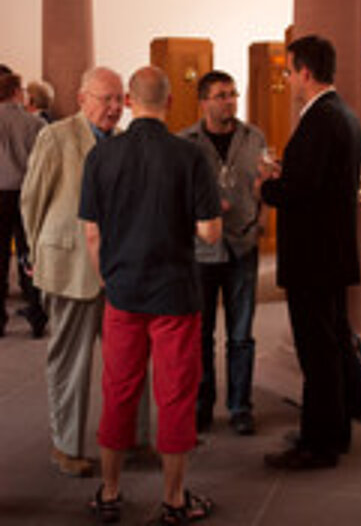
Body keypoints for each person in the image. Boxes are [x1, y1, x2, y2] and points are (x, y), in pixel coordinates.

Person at [79, 66, 222, 525]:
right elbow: (210, 232)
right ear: (170, 102)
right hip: (175, 295)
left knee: (118, 391)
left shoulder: (101, 156)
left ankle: (109, 492)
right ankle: (175, 500)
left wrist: (108, 279)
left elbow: (92, 234)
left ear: (129, 101)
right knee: (176, 396)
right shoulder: (190, 155)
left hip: (123, 292)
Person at [257, 35, 361, 470]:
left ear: (305, 72)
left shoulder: (320, 119)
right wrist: (288, 173)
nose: (287, 80)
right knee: (333, 345)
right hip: (332, 251)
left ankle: (316, 444)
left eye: (288, 72)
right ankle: (335, 432)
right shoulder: (346, 116)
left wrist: (267, 186)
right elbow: (321, 180)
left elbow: (302, 191)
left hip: (313, 257)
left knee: (316, 351)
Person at [20, 66, 124, 477]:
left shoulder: (123, 143)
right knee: (70, 363)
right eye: (105, 98)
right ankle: (66, 447)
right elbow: (32, 200)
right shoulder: (56, 137)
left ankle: (130, 440)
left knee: (126, 361)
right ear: (83, 99)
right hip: (69, 265)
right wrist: (37, 252)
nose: (114, 107)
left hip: (117, 269)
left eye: (119, 98)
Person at [180, 70, 267, 435]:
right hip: (201, 251)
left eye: (233, 94)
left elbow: (262, 186)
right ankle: (202, 406)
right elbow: (176, 196)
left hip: (243, 246)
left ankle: (240, 407)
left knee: (241, 335)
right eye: (221, 95)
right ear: (204, 102)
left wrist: (260, 218)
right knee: (201, 335)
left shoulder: (254, 137)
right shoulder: (184, 143)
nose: (230, 101)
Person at [0, 69, 46, 337]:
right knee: (29, 255)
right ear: (17, 92)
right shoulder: (35, 124)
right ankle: (37, 314)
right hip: (25, 193)